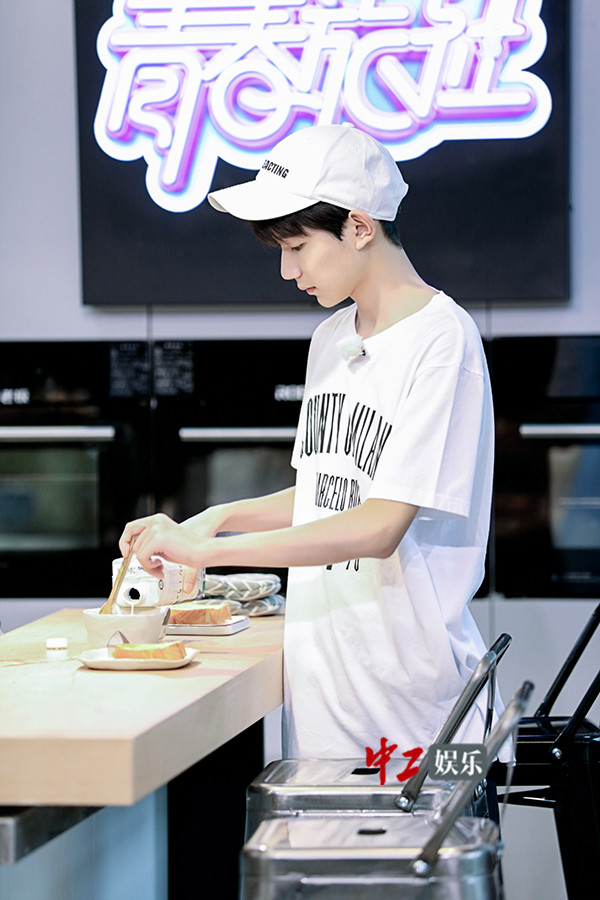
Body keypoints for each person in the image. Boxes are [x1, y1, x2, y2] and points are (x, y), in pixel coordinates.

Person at [120, 123, 508, 766]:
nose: (287, 269)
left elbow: (379, 525)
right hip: (326, 686)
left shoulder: (443, 340)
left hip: (409, 704)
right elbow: (327, 494)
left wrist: (210, 552)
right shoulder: (331, 337)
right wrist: (215, 516)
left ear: (359, 226)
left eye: (298, 246)